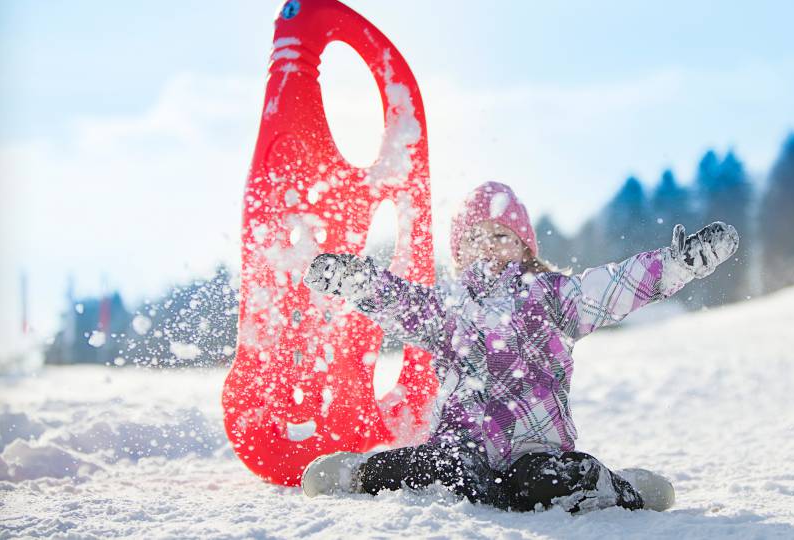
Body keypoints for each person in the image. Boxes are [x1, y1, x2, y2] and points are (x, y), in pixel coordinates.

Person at [300, 181, 739, 513]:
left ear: (524, 245)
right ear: (460, 251)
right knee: (441, 470)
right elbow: (403, 305)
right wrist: (359, 281)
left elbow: (610, 289)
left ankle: (623, 489)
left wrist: (675, 266)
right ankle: (357, 474)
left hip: (536, 447)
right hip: (462, 443)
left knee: (552, 482)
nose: (490, 248)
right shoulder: (449, 306)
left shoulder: (552, 296)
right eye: (477, 238)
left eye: (501, 237)